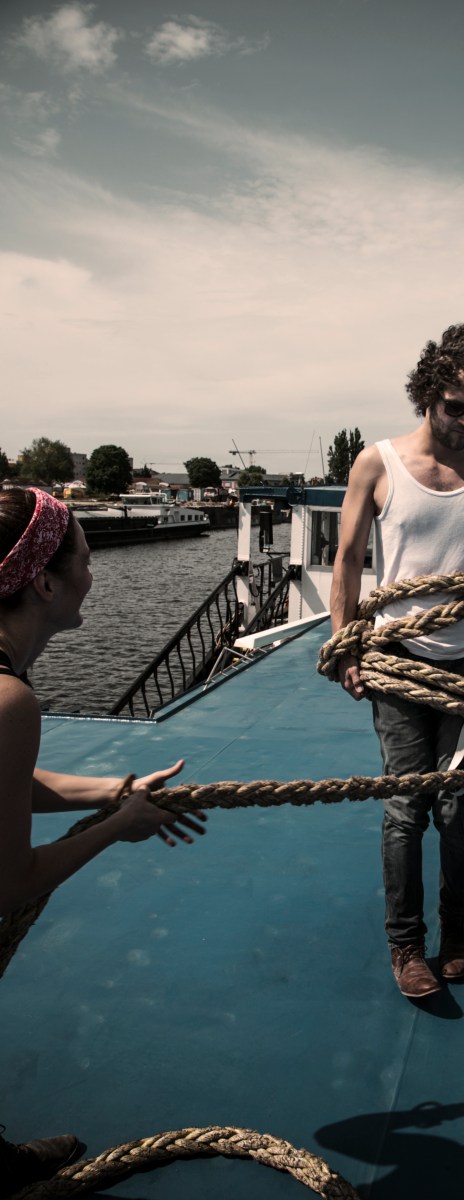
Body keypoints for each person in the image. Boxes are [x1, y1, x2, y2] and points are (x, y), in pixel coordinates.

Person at [0, 486, 206, 1196]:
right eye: (85, 559)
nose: (94, 573)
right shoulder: (11, 701)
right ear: (44, 583)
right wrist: (122, 826)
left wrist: (114, 790)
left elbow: (8, 782)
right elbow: (11, 884)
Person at [330, 323, 464, 999]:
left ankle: (457, 934)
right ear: (427, 394)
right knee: (405, 807)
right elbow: (348, 559)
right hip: (396, 658)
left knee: (454, 805)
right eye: (455, 408)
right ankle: (407, 947)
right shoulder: (376, 463)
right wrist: (346, 643)